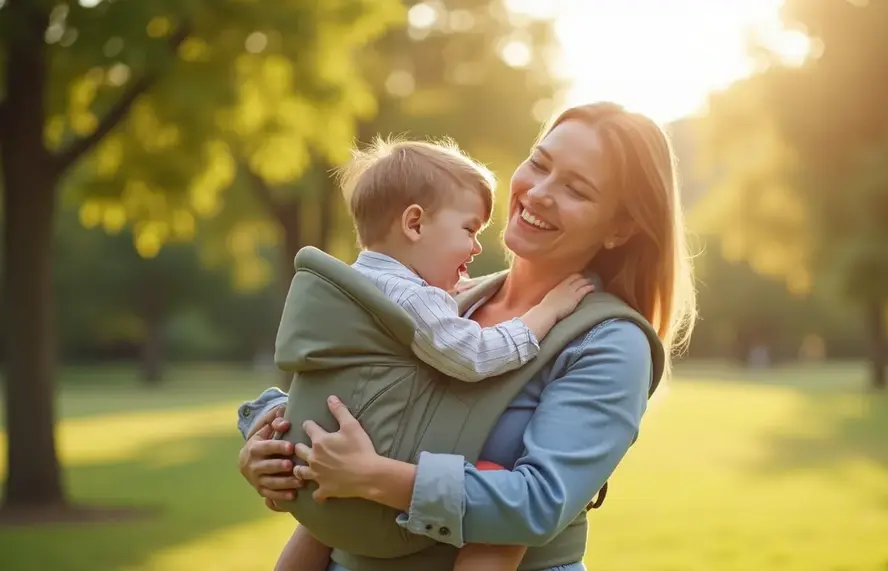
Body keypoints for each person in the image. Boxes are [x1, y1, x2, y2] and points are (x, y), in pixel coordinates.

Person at [238, 101, 698, 571]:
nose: (539, 192)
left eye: (576, 189)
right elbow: (358, 404)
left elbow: (539, 502)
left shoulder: (610, 342)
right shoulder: (435, 299)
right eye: (539, 163)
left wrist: (376, 477)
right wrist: (276, 449)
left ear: (620, 228)